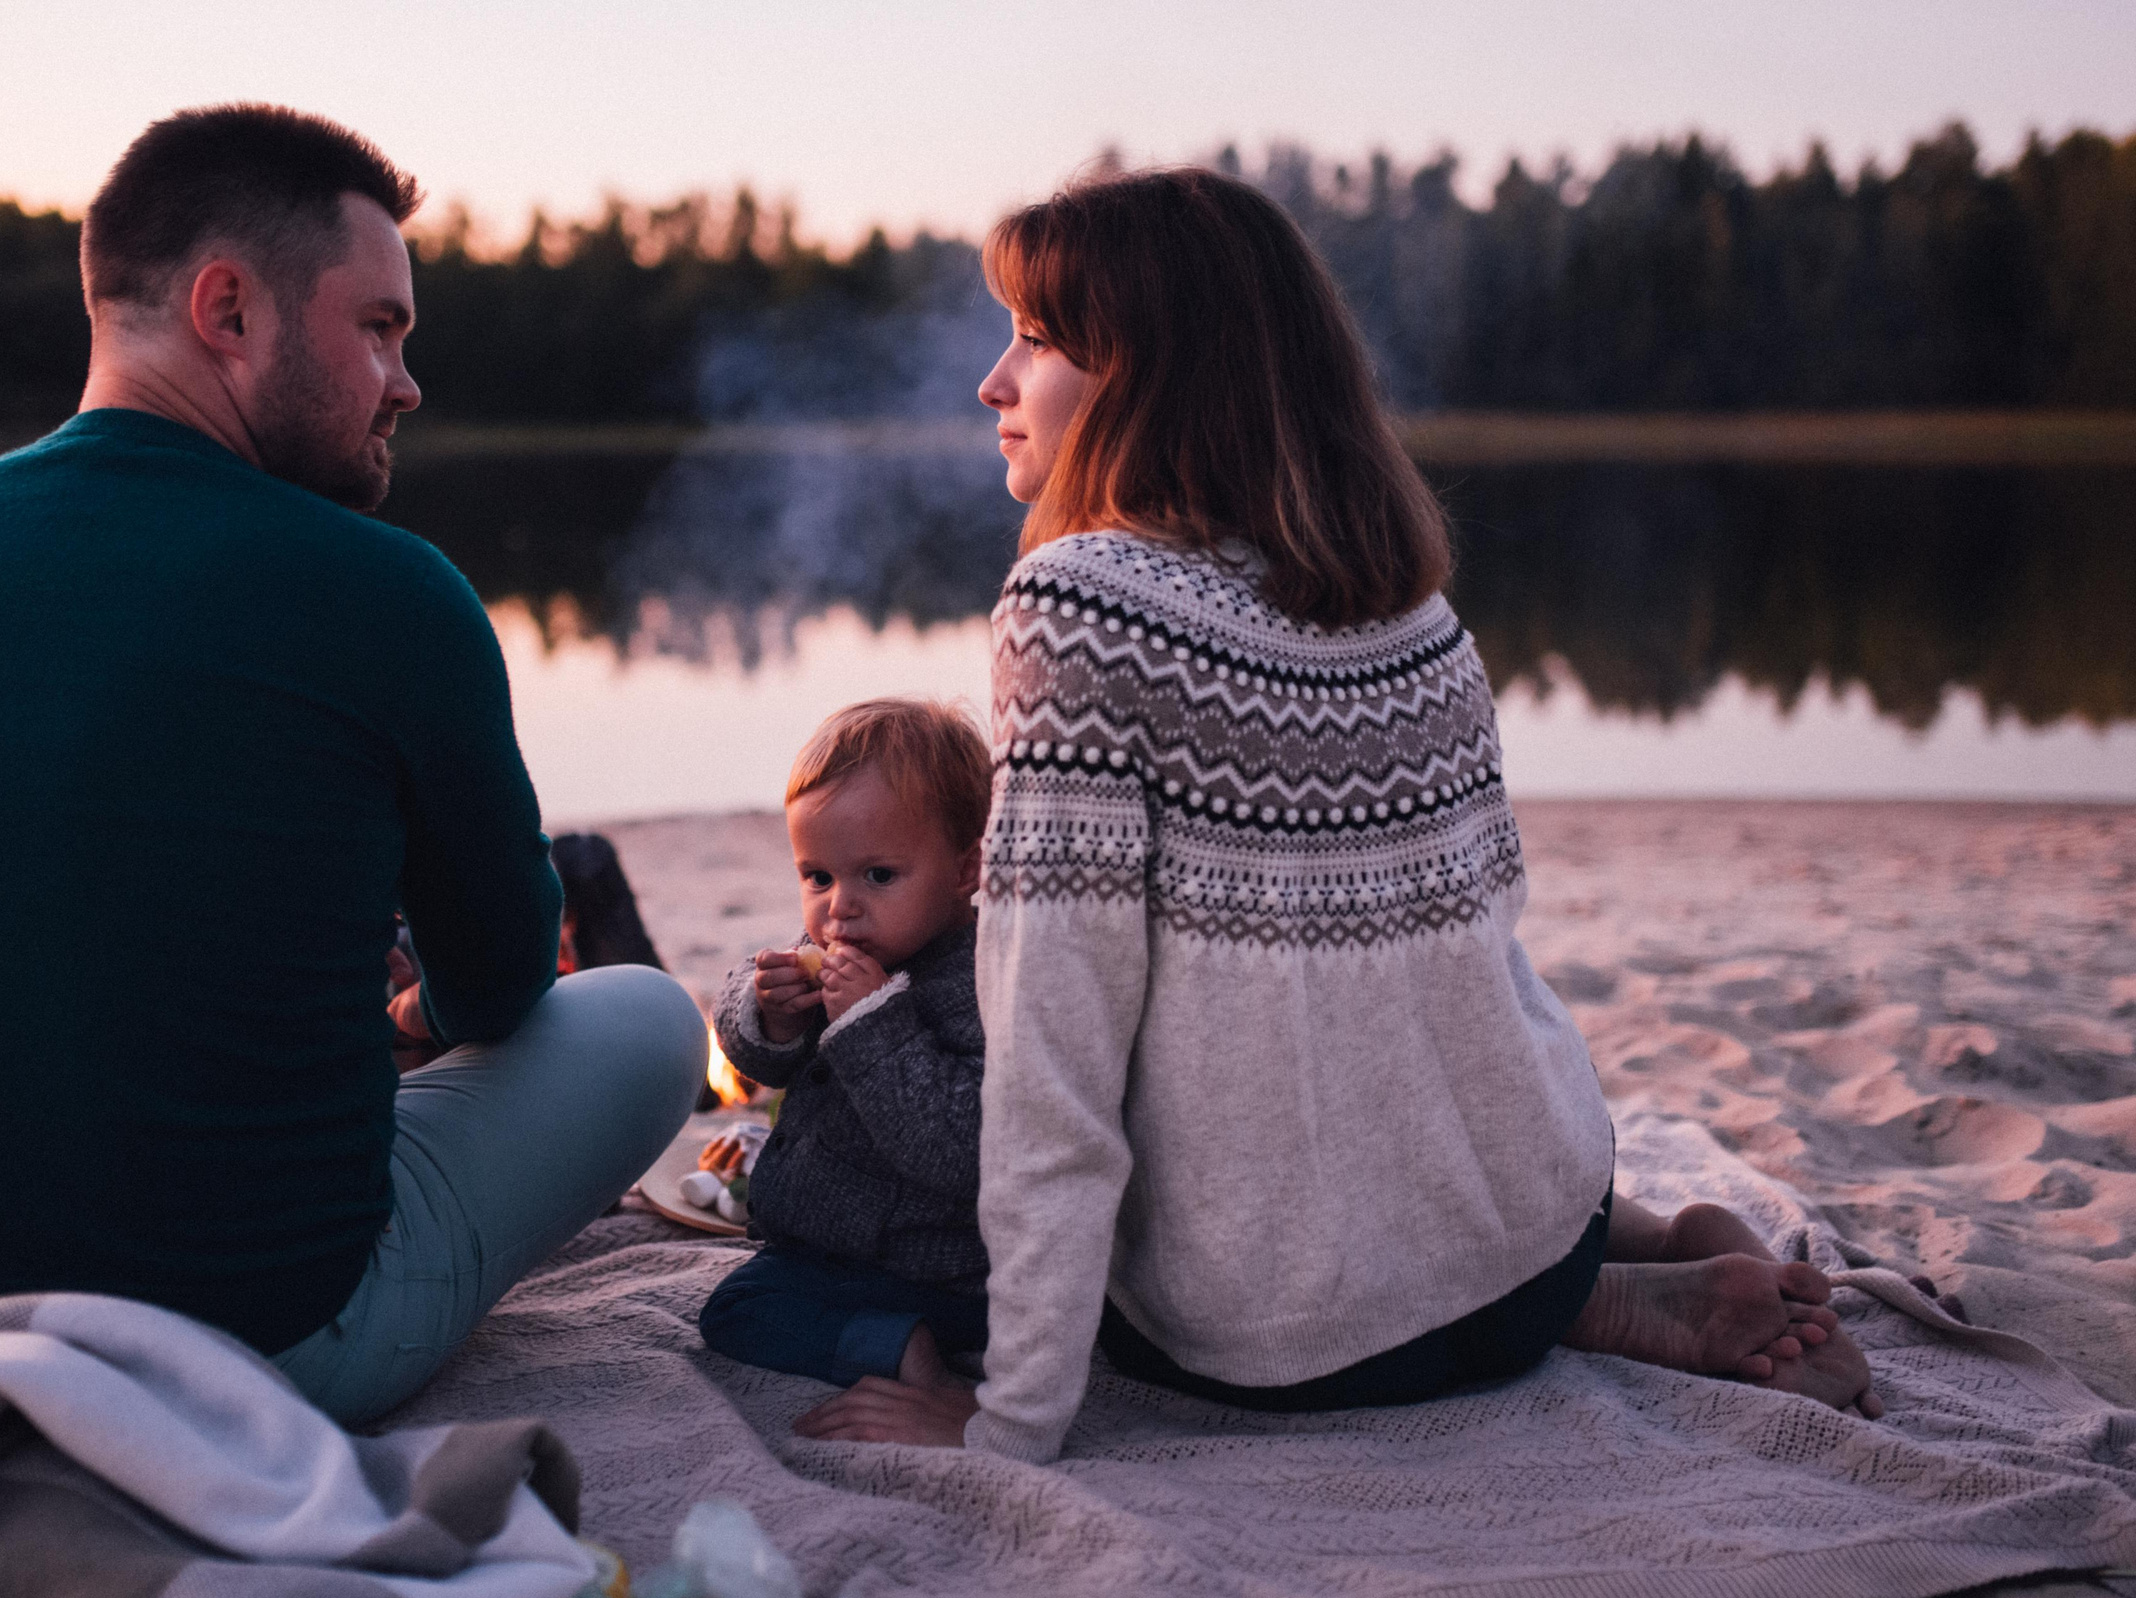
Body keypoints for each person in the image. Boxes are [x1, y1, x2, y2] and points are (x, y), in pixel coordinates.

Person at [797, 168, 1878, 1457]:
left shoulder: (1079, 604)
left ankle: (1605, 1287)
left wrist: (1009, 1415)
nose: (992, 382)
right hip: (1533, 1230)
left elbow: (1055, 1053)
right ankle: (1616, 1275)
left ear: (1150, 375)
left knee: (908, 1233)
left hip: (1281, 1345)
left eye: (1033, 341)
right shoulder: (1409, 606)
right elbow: (1471, 970)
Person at [0, 105, 703, 1426]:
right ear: (228, 309)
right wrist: (401, 1011)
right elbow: (506, 983)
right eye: (382, 327)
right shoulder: (387, 588)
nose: (407, 381)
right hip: (266, 1333)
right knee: (646, 1017)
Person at [699, 700, 991, 1420]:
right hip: (825, 1252)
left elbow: (959, 1148)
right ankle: (892, 1342)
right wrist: (768, 1012)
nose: (839, 910)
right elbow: (753, 1055)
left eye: (878, 876)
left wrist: (869, 1021)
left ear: (966, 869)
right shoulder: (842, 947)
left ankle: (902, 1349)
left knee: (755, 1308)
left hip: (946, 1271)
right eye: (818, 876)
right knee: (734, 1310)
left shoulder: (980, 982)